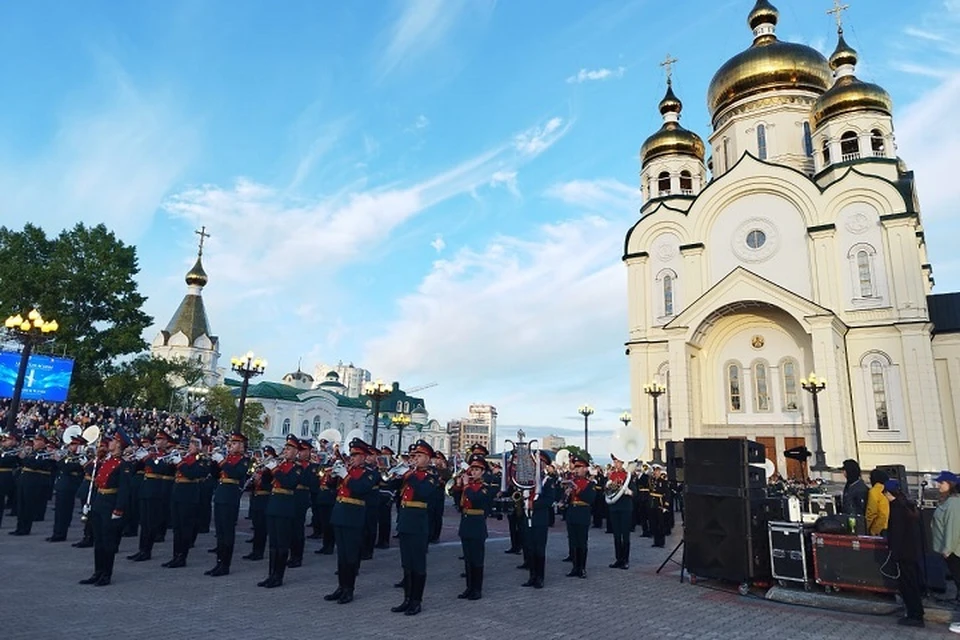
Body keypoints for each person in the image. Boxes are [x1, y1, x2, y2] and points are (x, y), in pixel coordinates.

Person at [325, 439, 378, 604]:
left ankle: (349, 589)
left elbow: (360, 489)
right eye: (352, 454)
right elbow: (333, 487)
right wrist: (332, 476)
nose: (352, 458)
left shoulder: (370, 473)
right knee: (341, 555)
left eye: (356, 455)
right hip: (340, 514)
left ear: (364, 456)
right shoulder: (347, 470)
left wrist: (345, 476)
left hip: (354, 516)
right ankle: (340, 587)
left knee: (351, 555)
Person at [390, 440, 440, 616]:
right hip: (405, 522)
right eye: (413, 456)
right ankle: (406, 599)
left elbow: (424, 492)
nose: (415, 459)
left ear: (428, 458)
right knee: (407, 563)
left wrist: (408, 475)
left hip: (419, 524)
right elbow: (390, 486)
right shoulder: (410, 474)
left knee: (418, 564)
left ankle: (416, 601)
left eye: (419, 456)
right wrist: (395, 474)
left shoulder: (431, 477)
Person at [79, 429, 132, 587]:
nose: (110, 443)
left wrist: (119, 509)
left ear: (119, 445)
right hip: (99, 501)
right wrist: (90, 504)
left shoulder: (123, 465)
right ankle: (97, 572)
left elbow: (124, 490)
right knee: (99, 540)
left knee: (108, 542)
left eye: (113, 441)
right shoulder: (106, 461)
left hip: (111, 503)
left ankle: (106, 574)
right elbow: (96, 483)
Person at [257, 435, 301, 588]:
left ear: (296, 452)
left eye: (289, 449)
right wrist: (267, 470)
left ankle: (278, 576)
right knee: (273, 544)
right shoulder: (280, 466)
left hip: (285, 507)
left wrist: (274, 468)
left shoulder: (297, 468)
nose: (286, 451)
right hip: (273, 505)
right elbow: (266, 484)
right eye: (286, 448)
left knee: (282, 544)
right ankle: (271, 575)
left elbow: (289, 483)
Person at [205, 432, 249, 577]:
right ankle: (218, 562)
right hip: (220, 494)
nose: (231, 445)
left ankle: (225, 564)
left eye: (235, 443)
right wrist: (213, 462)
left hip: (230, 496)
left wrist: (222, 461)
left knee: (228, 532)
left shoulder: (243, 460)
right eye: (231, 443)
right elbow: (216, 475)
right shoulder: (228, 458)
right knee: (220, 532)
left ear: (242, 446)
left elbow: (235, 474)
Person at [881, 479, 924, 627]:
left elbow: (897, 533)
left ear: (887, 493)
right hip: (911, 551)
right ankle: (915, 612)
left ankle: (915, 615)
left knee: (907, 585)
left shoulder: (896, 508)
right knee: (911, 583)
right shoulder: (906, 504)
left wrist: (894, 553)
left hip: (903, 553)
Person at [163, 437, 205, 568]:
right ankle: (175, 555)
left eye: (194, 444)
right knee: (177, 528)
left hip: (189, 495)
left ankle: (182, 557)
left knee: (185, 527)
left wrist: (180, 463)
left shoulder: (201, 460)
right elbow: (169, 471)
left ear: (199, 447)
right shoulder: (185, 457)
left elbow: (192, 474)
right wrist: (171, 462)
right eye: (190, 443)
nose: (190, 446)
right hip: (177, 493)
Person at [457, 454, 492, 601]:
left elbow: (476, 499)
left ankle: (477, 589)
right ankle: (469, 587)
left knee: (477, 559)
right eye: (473, 469)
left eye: (477, 470)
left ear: (482, 472)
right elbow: (458, 500)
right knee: (468, 559)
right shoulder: (469, 486)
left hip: (477, 524)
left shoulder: (484, 487)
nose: (474, 472)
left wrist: (465, 485)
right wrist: (458, 485)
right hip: (466, 522)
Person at [10, 433, 56, 536]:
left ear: (43, 442)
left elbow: (35, 465)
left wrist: (23, 458)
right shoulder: (33, 453)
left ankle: (25, 528)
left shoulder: (45, 454)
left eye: (37, 441)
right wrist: (20, 458)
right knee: (20, 505)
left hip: (33, 482)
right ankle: (19, 527)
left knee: (28, 506)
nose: (34, 443)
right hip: (24, 480)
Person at [48, 434, 86, 542]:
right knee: (59, 511)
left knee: (64, 511)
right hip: (62, 485)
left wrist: (58, 460)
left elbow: (67, 468)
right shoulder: (68, 456)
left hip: (70, 486)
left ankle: (60, 534)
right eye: (71, 444)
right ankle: (57, 532)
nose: (70, 446)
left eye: (74, 444)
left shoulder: (81, 457)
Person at [565, 454, 596, 579]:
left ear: (586, 469)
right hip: (572, 512)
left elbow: (590, 499)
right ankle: (574, 567)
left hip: (583, 513)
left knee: (582, 542)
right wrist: (566, 494)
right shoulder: (573, 481)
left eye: (580, 467)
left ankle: (582, 568)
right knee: (572, 541)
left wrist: (577, 490)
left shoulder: (590, 483)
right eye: (576, 467)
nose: (577, 470)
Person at [931, 471, 960, 603]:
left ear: (950, 484)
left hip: (954, 551)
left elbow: (953, 527)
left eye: (942, 483)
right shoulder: (948, 502)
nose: (939, 485)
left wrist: (948, 549)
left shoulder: (953, 504)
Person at [243, 445, 276, 561]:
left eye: (266, 456)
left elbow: (272, 486)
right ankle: (254, 550)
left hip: (265, 499)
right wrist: (251, 481)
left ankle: (259, 552)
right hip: (257, 498)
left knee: (261, 528)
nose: (263, 458)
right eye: (264, 455)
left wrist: (260, 481)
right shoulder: (260, 468)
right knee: (256, 526)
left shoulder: (272, 469)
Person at [288, 438, 315, 568]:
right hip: (290, 497)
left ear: (309, 451)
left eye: (303, 450)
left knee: (298, 528)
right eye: (299, 450)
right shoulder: (293, 463)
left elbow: (307, 482)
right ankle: (290, 554)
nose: (301, 452)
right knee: (290, 528)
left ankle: (297, 557)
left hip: (301, 497)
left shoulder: (311, 466)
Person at [606, 455, 635, 570]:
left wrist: (628, 491)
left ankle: (626, 560)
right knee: (616, 535)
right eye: (614, 462)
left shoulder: (628, 476)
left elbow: (635, 493)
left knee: (625, 535)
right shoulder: (612, 476)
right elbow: (607, 492)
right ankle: (618, 559)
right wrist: (607, 486)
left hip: (625, 508)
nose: (616, 464)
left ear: (622, 463)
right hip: (614, 507)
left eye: (618, 462)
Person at [0, 431, 22, 529]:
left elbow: (6, 462)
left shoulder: (14, 451)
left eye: (7, 440)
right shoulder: (3, 450)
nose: (5, 442)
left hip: (5, 476)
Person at [650, 464, 671, 548]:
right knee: (654, 523)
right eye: (655, 471)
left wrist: (666, 505)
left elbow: (667, 494)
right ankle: (656, 541)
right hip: (653, 503)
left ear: (660, 472)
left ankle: (661, 542)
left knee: (660, 524)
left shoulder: (663, 482)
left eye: (657, 471)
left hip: (660, 503)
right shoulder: (652, 481)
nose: (656, 473)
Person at [865, 468, 890, 536]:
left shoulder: (874, 492)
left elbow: (872, 512)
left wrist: (865, 527)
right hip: (890, 526)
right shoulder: (889, 490)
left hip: (878, 528)